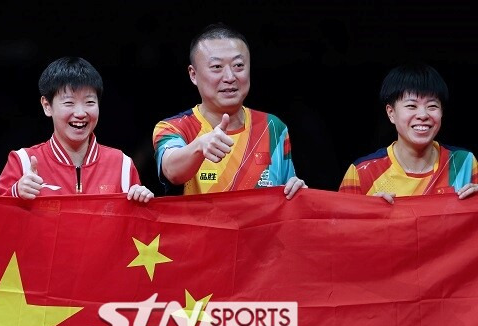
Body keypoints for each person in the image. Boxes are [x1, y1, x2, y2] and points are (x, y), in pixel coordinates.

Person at [152, 22, 306, 198]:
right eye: (217, 67)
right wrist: (199, 147)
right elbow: (172, 170)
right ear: (193, 74)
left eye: (238, 65)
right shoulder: (173, 128)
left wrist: (296, 191)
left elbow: (288, 201)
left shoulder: (273, 127)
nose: (230, 77)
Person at [0, 56, 153, 202]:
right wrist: (15, 193)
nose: (80, 113)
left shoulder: (122, 165)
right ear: (47, 106)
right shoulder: (22, 162)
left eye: (89, 102)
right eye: (69, 103)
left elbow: (135, 228)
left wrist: (143, 202)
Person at [339, 63, 478, 203]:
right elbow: (339, 224)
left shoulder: (464, 163)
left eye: (432, 106)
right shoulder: (362, 172)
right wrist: (368, 214)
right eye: (411, 106)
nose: (423, 115)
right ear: (391, 113)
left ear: (442, 112)